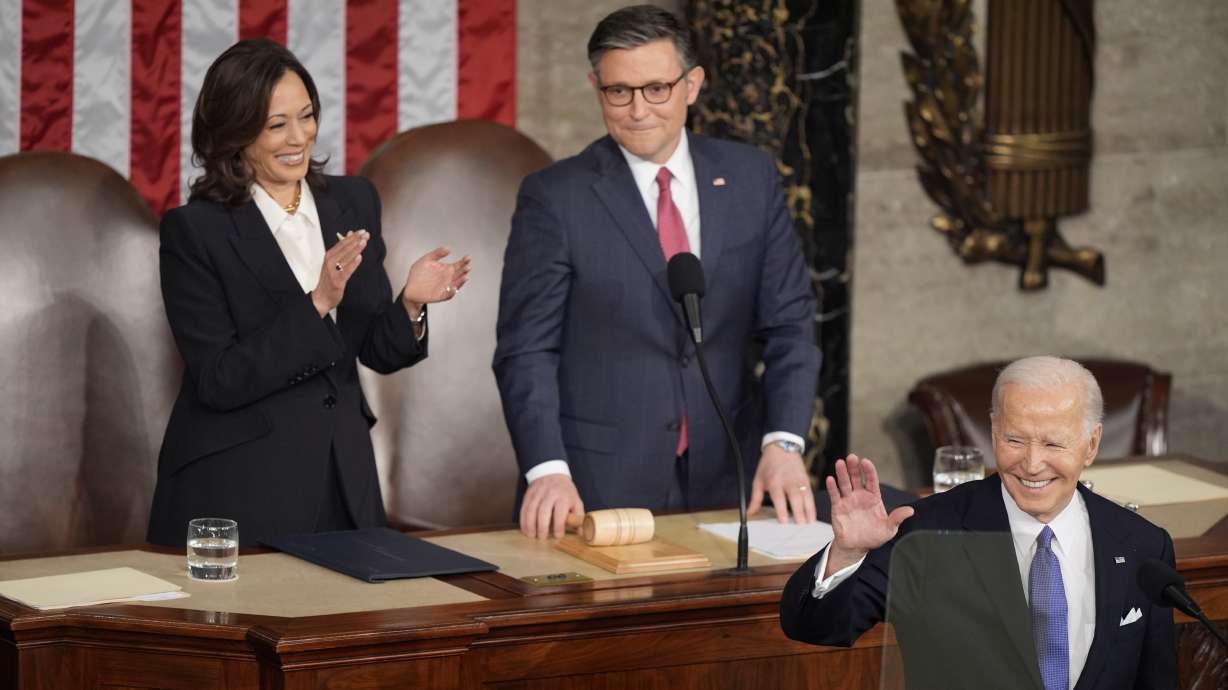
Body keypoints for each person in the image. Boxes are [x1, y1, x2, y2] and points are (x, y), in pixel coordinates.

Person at [493, 4, 822, 540]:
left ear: (692, 85)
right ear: (596, 87)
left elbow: (790, 326)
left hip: (730, 476)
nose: (638, 109)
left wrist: (783, 443)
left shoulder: (750, 178)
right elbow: (526, 350)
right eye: (619, 91)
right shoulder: (556, 197)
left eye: (656, 89)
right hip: (596, 486)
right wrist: (548, 471)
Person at [146, 39, 470, 546]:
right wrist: (318, 302)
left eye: (307, 116)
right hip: (240, 482)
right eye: (276, 125)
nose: (298, 137)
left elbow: (376, 352)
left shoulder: (352, 200)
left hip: (344, 475)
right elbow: (219, 379)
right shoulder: (194, 231)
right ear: (234, 134)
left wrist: (411, 302)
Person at [780, 356, 1177, 690]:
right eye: (1015, 440)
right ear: (993, 432)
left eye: (1053, 443)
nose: (1033, 464)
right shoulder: (930, 533)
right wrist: (847, 554)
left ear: (1091, 445)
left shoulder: (1142, 544)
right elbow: (815, 626)